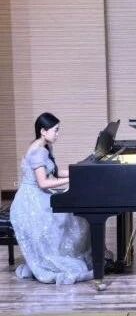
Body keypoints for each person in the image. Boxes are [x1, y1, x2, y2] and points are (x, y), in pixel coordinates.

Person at [10, 112, 93, 284]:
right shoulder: (37, 152)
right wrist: (72, 179)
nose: (58, 134)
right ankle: (64, 257)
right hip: (30, 201)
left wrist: (78, 171)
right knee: (71, 215)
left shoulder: (45, 147)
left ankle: (71, 253)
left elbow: (55, 172)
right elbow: (43, 183)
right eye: (55, 130)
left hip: (39, 195)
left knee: (73, 213)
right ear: (43, 131)